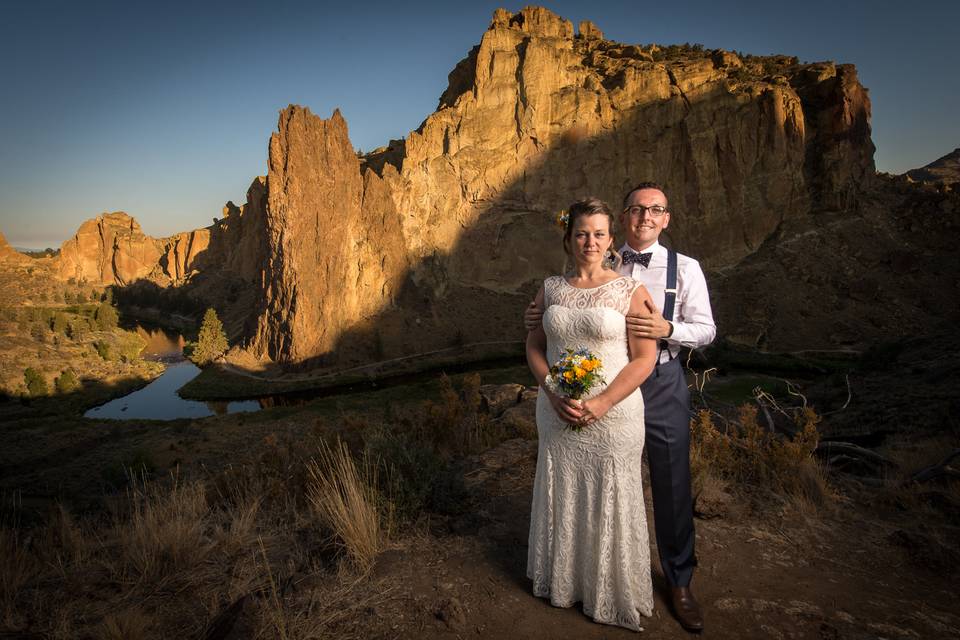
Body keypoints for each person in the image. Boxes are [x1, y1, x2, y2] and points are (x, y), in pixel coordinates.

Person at [525, 182, 716, 632]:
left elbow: (704, 331)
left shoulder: (683, 268)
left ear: (666, 218)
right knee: (574, 484)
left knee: (669, 483)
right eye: (636, 209)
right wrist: (541, 338)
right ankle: (575, 574)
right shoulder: (565, 279)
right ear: (622, 222)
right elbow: (542, 333)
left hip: (658, 380)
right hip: (576, 392)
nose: (645, 217)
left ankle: (679, 583)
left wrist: (667, 326)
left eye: (655, 210)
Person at [525, 197, 659, 631]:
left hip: (614, 417)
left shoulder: (629, 291)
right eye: (582, 233)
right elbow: (533, 346)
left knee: (610, 494)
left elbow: (643, 360)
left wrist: (601, 403)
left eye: (600, 233)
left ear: (610, 239)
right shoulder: (549, 289)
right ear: (569, 237)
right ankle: (564, 583)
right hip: (557, 410)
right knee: (561, 488)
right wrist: (551, 391)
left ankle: (609, 591)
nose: (591, 241)